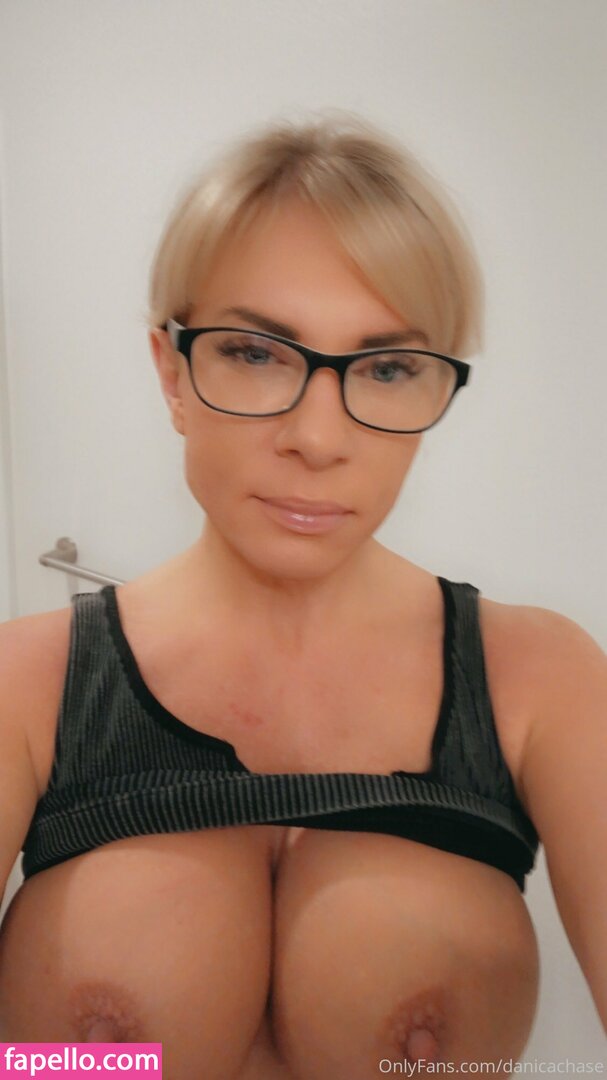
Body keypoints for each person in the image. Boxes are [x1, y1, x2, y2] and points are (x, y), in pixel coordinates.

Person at [0, 112, 605, 1080]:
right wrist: (77, 1069)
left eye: (388, 367)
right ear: (172, 373)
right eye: (255, 352)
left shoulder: (539, 679)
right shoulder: (25, 686)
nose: (318, 439)